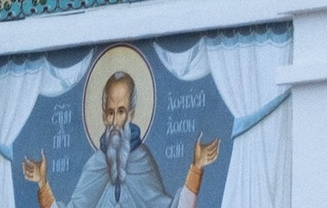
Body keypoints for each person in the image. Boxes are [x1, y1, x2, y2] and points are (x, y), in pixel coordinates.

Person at [22, 78, 220, 208]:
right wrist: (42, 184)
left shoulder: (142, 159)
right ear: (104, 117)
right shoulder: (96, 164)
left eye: (121, 111)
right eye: (110, 112)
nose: (116, 121)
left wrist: (196, 168)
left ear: (131, 114)